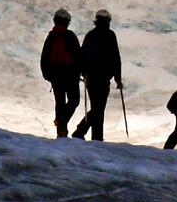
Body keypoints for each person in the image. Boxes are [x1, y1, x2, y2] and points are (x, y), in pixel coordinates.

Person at [72, 9, 123, 140]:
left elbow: (82, 56)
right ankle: (83, 132)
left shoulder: (90, 35)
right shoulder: (110, 35)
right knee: (99, 108)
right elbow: (116, 58)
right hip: (104, 77)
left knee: (97, 107)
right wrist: (118, 78)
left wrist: (83, 73)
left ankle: (95, 136)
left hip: (91, 78)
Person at [40, 8, 84, 137]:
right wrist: (81, 71)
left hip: (55, 74)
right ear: (67, 22)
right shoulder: (70, 36)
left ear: (55, 20)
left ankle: (61, 129)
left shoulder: (51, 37)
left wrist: (47, 74)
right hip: (70, 74)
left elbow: (45, 56)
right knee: (74, 100)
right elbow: (78, 55)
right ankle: (61, 122)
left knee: (59, 101)